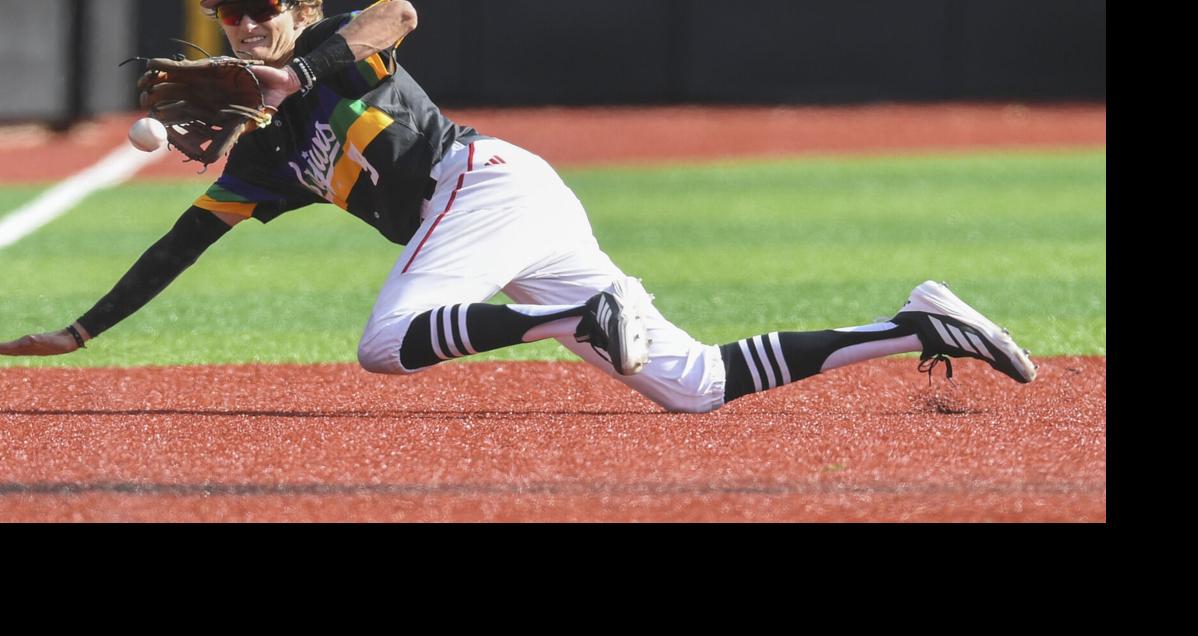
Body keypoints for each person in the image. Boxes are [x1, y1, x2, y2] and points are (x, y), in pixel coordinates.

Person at [0, 0, 1037, 411]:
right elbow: (182, 243)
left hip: (488, 184)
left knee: (385, 344)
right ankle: (915, 324)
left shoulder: (334, 60)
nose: (248, 21)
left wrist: (292, 70)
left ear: (300, 12)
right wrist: (85, 328)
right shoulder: (262, 160)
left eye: (265, 8)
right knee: (691, 385)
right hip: (502, 217)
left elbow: (396, 11)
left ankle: (566, 318)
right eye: (234, 10)